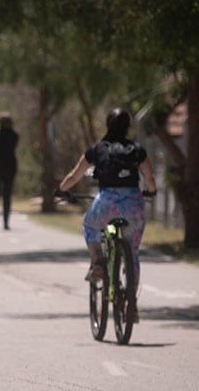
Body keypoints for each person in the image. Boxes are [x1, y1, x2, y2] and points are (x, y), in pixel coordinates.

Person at [58, 107, 157, 321]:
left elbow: (75, 175)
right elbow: (149, 178)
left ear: (107, 125)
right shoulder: (137, 150)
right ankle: (131, 302)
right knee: (132, 252)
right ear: (127, 127)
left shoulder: (97, 149)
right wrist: (152, 190)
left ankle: (98, 264)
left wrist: (62, 189)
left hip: (106, 204)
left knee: (90, 225)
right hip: (134, 206)